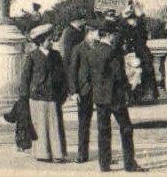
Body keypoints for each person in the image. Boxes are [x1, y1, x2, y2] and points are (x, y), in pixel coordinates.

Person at [76, 18, 142, 174]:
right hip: (115, 97)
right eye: (114, 34)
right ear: (109, 35)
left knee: (103, 131)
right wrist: (130, 87)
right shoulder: (113, 53)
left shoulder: (91, 52)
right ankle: (129, 164)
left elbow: (85, 75)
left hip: (99, 97)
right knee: (126, 128)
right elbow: (119, 76)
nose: (115, 37)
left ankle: (104, 164)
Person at [18, 23, 62, 162]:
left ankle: (57, 153)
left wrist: (63, 92)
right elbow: (25, 77)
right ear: (41, 41)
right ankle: (42, 154)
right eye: (48, 40)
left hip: (53, 95)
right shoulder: (32, 56)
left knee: (54, 125)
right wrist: (24, 96)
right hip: (38, 96)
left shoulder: (56, 55)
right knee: (40, 126)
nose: (51, 42)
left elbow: (62, 75)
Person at [62, 16, 94, 163]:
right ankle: (82, 154)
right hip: (84, 90)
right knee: (84, 124)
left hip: (101, 90)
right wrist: (74, 91)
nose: (100, 35)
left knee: (103, 124)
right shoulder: (78, 49)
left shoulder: (102, 47)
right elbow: (72, 71)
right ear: (89, 33)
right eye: (97, 32)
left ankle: (106, 156)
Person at [120, 1, 158, 104]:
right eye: (130, 20)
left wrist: (139, 13)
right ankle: (130, 96)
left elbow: (142, 23)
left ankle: (147, 95)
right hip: (129, 53)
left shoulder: (140, 28)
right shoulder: (124, 27)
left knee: (146, 70)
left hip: (141, 52)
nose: (132, 22)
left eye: (133, 19)